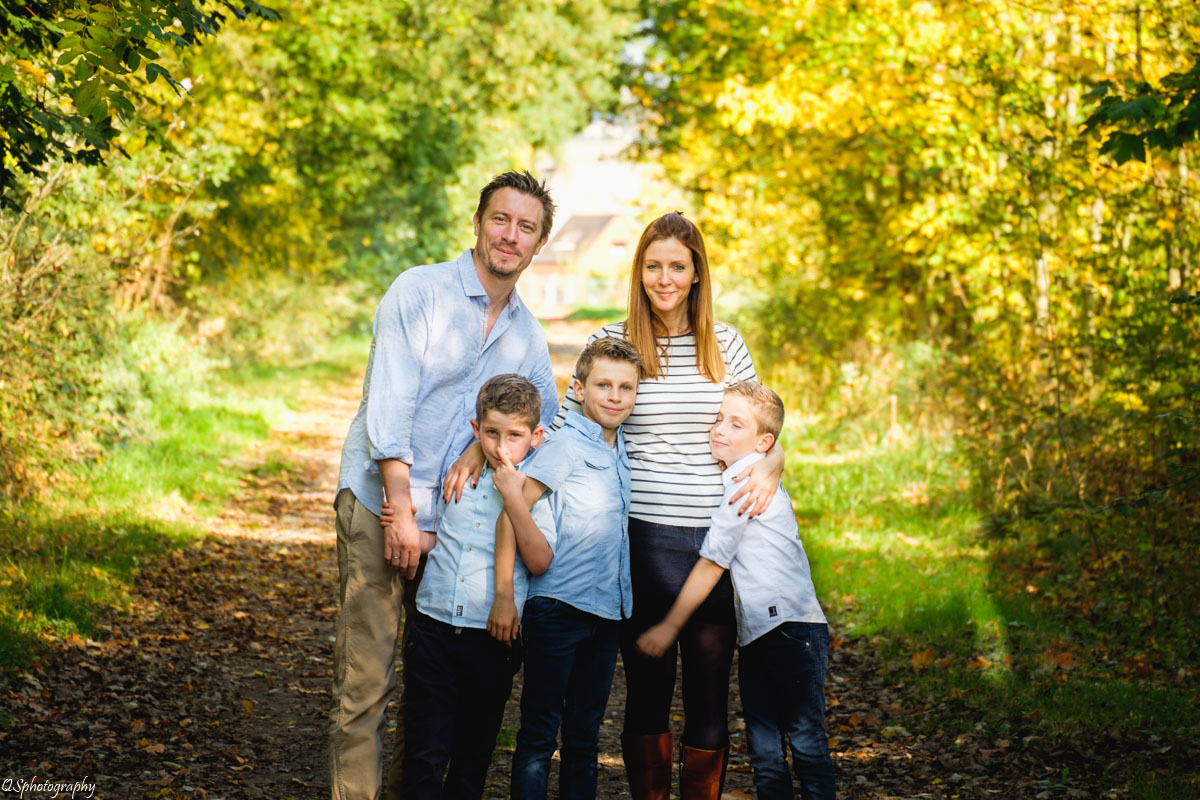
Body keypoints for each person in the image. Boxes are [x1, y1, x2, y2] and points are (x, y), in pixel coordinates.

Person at [443, 211, 785, 800]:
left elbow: (763, 429)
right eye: (653, 266)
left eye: (678, 266)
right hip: (642, 542)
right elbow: (555, 431)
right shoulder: (616, 342)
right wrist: (484, 447)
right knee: (648, 695)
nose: (665, 278)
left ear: (697, 271)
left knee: (708, 695)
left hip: (716, 542)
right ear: (639, 271)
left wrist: (775, 466)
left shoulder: (725, 344)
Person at [329, 170, 559, 800]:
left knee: (433, 691)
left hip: (455, 528)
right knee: (367, 682)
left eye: (526, 228)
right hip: (380, 500)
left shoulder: (526, 334)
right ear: (478, 223)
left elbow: (549, 422)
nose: (510, 236)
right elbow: (390, 406)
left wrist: (474, 452)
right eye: (500, 220)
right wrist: (400, 511)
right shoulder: (420, 292)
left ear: (539, 244)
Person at [637, 381, 835, 800]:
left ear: (763, 442)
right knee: (764, 750)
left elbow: (711, 564)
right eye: (719, 418)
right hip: (759, 634)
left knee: (806, 743)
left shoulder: (746, 488)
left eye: (735, 423)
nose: (719, 429)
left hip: (792, 631)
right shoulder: (740, 476)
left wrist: (668, 628)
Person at [381, 374, 558, 800]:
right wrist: (414, 538)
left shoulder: (536, 492)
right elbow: (445, 537)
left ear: (535, 437)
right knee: (425, 748)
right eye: (491, 433)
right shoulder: (458, 474)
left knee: (473, 751)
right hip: (433, 625)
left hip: (491, 637)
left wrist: (513, 501)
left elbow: (539, 559)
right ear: (476, 431)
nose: (501, 447)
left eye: (514, 436)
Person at [491, 337, 643, 800]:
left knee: (585, 736)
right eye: (603, 385)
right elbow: (512, 510)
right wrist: (504, 596)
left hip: (606, 614)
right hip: (558, 608)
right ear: (578, 388)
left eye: (626, 388)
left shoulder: (620, 451)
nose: (615, 396)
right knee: (540, 733)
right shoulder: (565, 446)